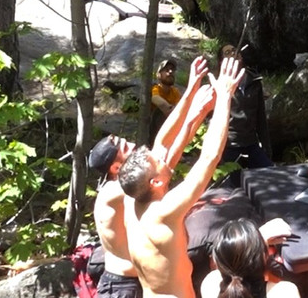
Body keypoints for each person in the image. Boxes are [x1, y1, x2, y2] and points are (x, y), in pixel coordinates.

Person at [88, 56, 216, 298]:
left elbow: (165, 146)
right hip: (120, 286)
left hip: (135, 282)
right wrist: (197, 109)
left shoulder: (127, 185)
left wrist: (193, 93)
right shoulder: (116, 191)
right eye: (125, 148)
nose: (133, 145)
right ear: (116, 167)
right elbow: (164, 149)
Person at [119, 55, 245, 298]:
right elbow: (209, 158)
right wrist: (225, 97)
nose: (164, 157)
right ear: (156, 182)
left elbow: (163, 143)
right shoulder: (162, 212)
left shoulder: (132, 198)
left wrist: (195, 102)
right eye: (159, 161)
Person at [201, 217, 300, 298]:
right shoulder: (284, 292)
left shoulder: (210, 286)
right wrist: (258, 241)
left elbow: (230, 267)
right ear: (264, 256)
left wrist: (255, 244)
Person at [218, 44, 273, 175]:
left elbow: (261, 116)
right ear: (221, 62)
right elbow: (213, 119)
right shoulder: (219, 84)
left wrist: (266, 147)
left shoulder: (255, 80)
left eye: (234, 50)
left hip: (251, 143)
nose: (233, 53)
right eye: (227, 52)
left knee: (270, 173)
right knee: (233, 181)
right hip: (230, 144)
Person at [149, 58, 181, 142]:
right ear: (158, 74)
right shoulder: (155, 88)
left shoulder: (175, 92)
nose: (170, 72)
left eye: (172, 70)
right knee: (159, 112)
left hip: (171, 127)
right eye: (166, 70)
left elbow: (181, 107)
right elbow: (156, 99)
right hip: (153, 130)